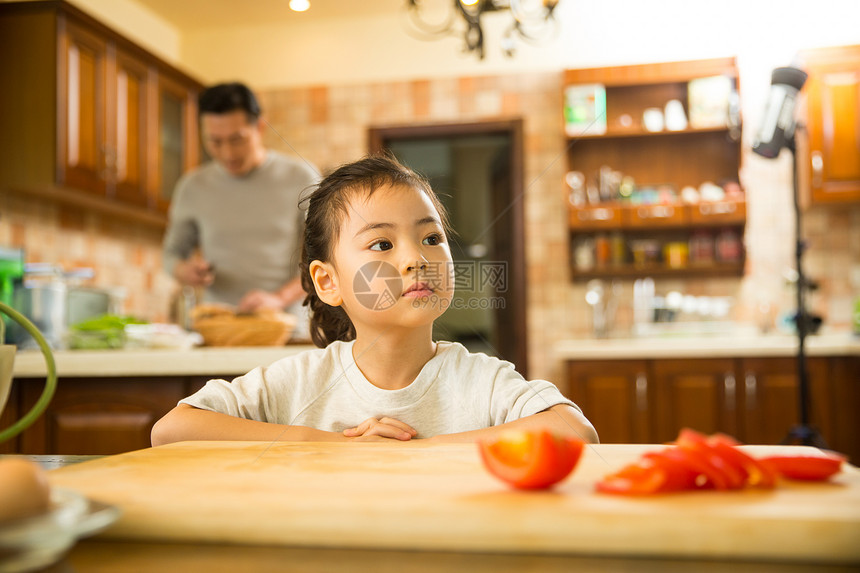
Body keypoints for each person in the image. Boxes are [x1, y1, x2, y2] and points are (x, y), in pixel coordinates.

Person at [151, 155, 597, 445]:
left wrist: (420, 450)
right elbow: (172, 430)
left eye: (430, 237)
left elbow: (574, 431)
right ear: (328, 282)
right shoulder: (298, 381)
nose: (416, 259)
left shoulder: (479, 379)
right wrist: (326, 443)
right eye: (381, 245)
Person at [162, 82, 318, 318]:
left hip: (288, 326)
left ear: (260, 127)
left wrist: (279, 298)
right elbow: (171, 255)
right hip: (219, 328)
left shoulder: (301, 177)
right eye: (215, 141)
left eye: (237, 140)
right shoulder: (192, 187)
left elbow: (327, 256)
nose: (227, 153)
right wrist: (184, 270)